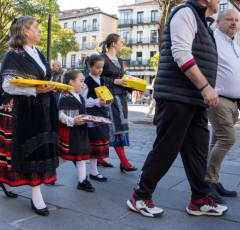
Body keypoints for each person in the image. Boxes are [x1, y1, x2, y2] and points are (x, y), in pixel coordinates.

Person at [127, 0, 228, 218]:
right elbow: (181, 53)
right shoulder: (185, 12)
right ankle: (140, 196)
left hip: (194, 99)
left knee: (198, 150)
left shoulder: (203, 22)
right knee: (167, 148)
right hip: (177, 96)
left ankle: (199, 199)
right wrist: (205, 86)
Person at [0, 16, 59, 216]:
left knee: (18, 151)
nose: (39, 30)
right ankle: (36, 195)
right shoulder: (13, 55)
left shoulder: (39, 52)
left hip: (43, 107)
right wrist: (36, 91)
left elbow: (42, 78)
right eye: (35, 27)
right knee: (28, 150)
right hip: (23, 108)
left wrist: (49, 86)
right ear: (25, 32)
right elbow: (8, 85)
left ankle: (3, 181)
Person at [205, 9, 240, 204]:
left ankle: (213, 180)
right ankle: (208, 182)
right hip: (218, 98)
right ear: (218, 22)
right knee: (228, 139)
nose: (234, 23)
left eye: (236, 20)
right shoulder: (213, 39)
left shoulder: (233, 43)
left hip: (234, 102)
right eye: (229, 19)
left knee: (216, 140)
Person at [98, 33, 137, 172]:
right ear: (113, 43)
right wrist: (114, 81)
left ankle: (100, 158)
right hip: (108, 98)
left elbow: (122, 79)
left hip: (121, 98)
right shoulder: (101, 58)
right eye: (120, 42)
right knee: (112, 128)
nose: (122, 44)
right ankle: (123, 161)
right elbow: (95, 78)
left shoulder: (120, 61)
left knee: (119, 127)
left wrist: (133, 86)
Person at [58, 70, 96, 192]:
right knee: (63, 156)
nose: (83, 84)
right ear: (71, 82)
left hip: (80, 131)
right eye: (81, 81)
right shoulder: (65, 96)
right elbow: (60, 115)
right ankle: (48, 172)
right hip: (70, 131)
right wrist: (72, 121)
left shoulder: (79, 96)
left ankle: (82, 180)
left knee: (81, 156)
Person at [83, 55, 111, 181]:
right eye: (97, 67)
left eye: (102, 67)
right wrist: (96, 102)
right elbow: (83, 100)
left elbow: (105, 95)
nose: (100, 70)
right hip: (92, 114)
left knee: (99, 141)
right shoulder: (86, 82)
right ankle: (92, 172)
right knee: (94, 142)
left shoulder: (102, 80)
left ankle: (93, 171)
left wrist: (107, 101)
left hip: (102, 113)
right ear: (90, 66)